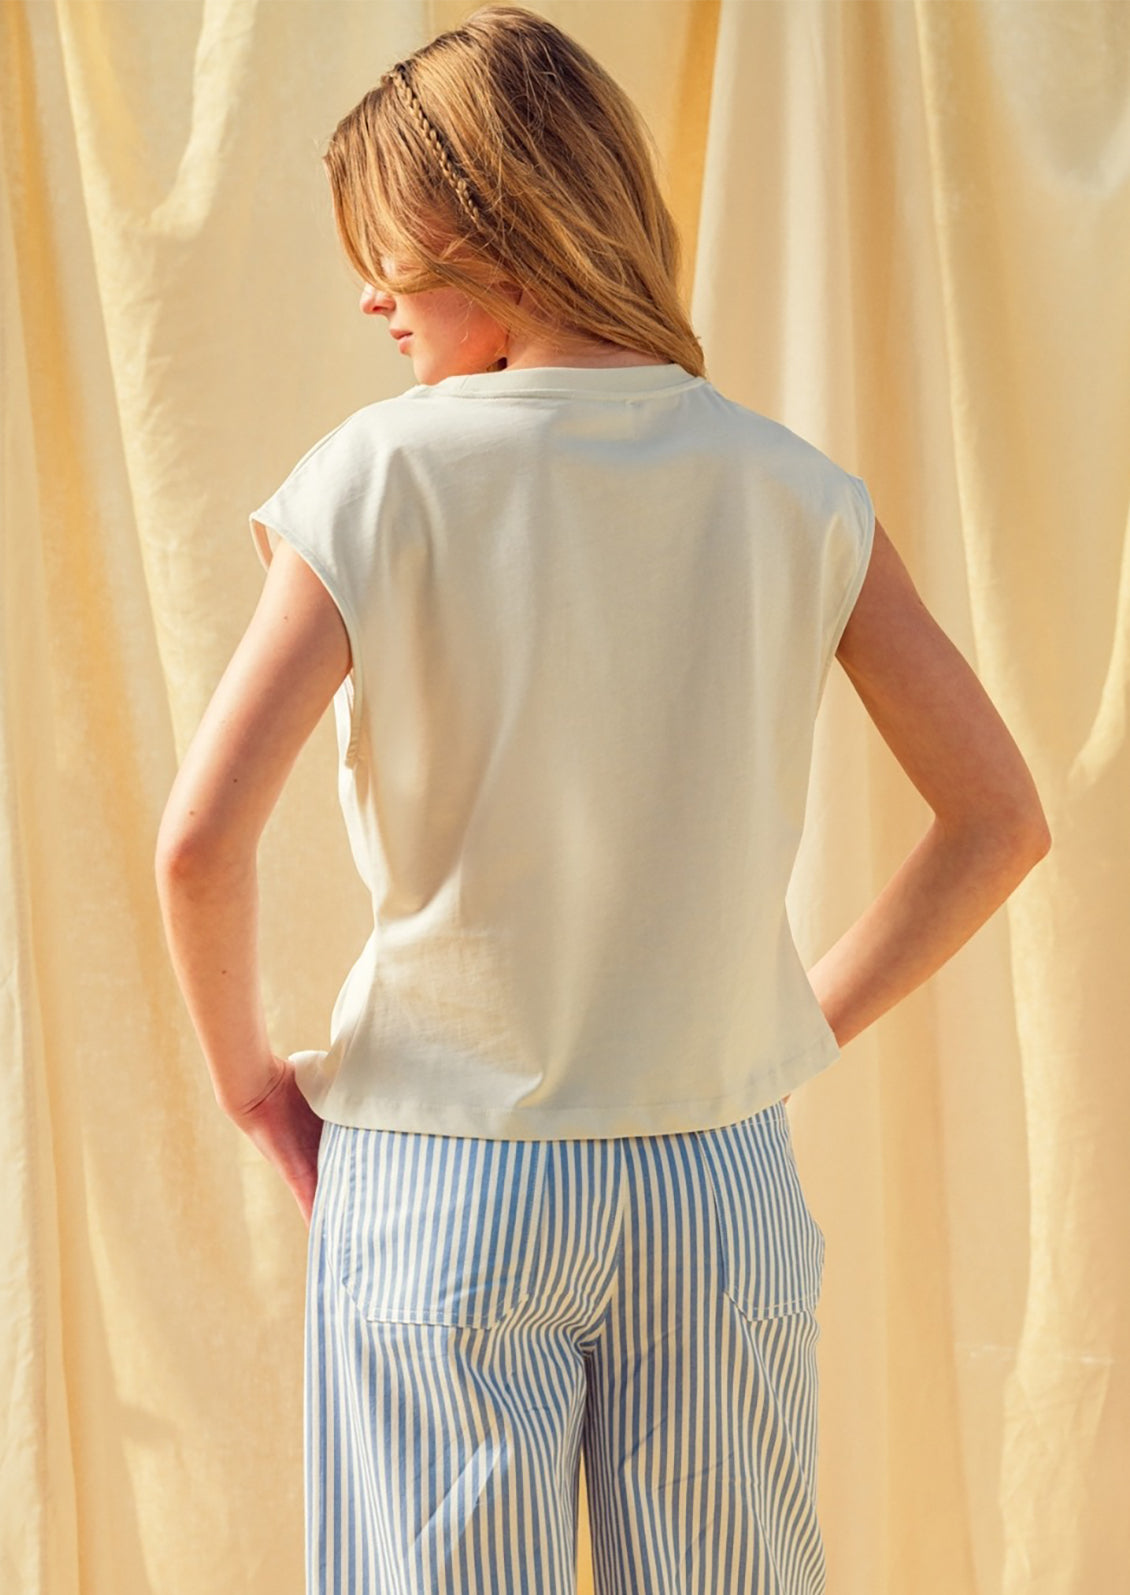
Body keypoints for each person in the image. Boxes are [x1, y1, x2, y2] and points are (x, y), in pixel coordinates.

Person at [154, 6, 1051, 1592]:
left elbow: (202, 840)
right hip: (713, 1173)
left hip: (442, 1168)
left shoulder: (376, 476)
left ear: (475, 226)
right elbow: (997, 816)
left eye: (388, 251)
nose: (371, 295)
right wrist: (789, 1029)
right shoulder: (789, 490)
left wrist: (251, 1086)